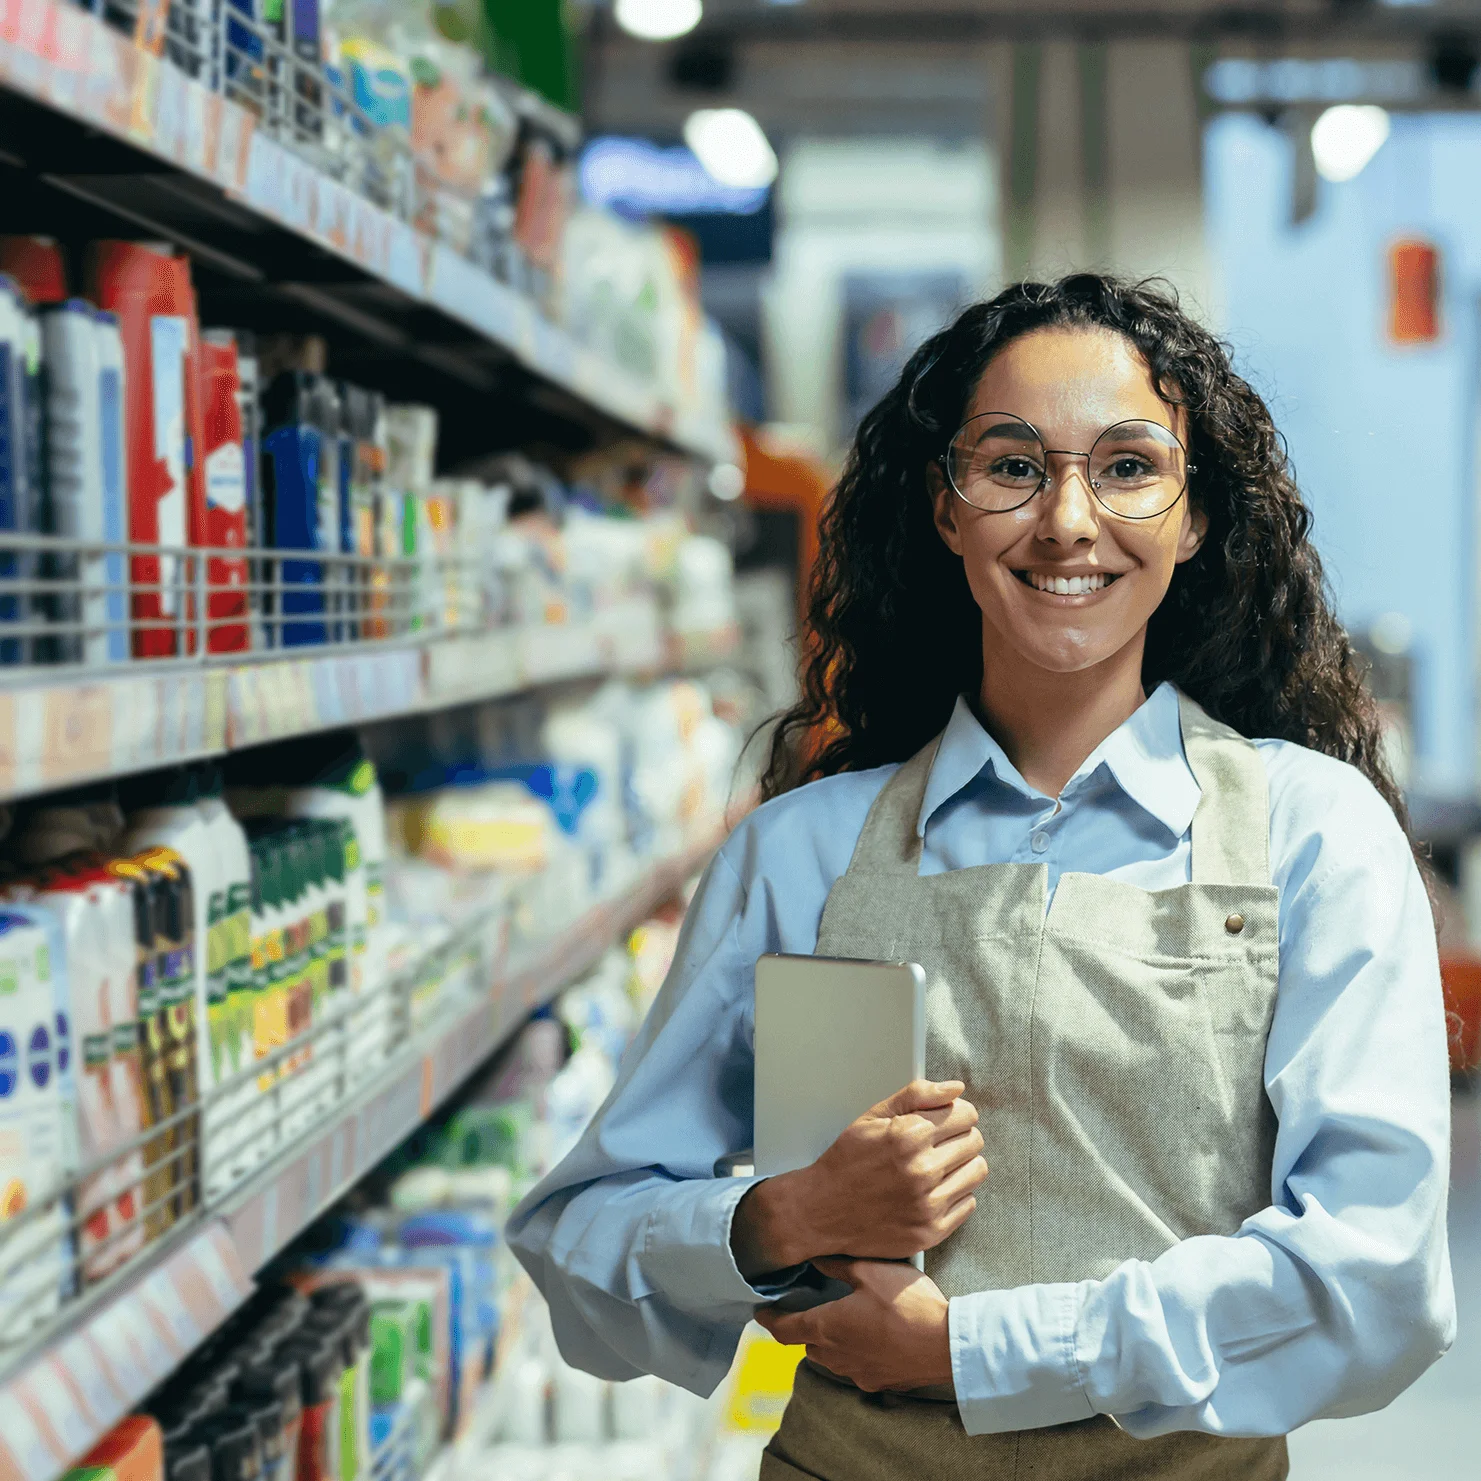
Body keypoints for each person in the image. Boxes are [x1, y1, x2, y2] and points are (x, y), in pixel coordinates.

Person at [507, 275, 1455, 1478]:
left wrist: (968, 1350)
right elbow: (576, 1240)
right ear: (944, 507)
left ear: (1195, 513)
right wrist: (780, 1217)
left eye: (1124, 466)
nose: (1065, 519)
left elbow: (1374, 1279)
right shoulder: (798, 851)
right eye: (1010, 465)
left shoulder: (1310, 836)